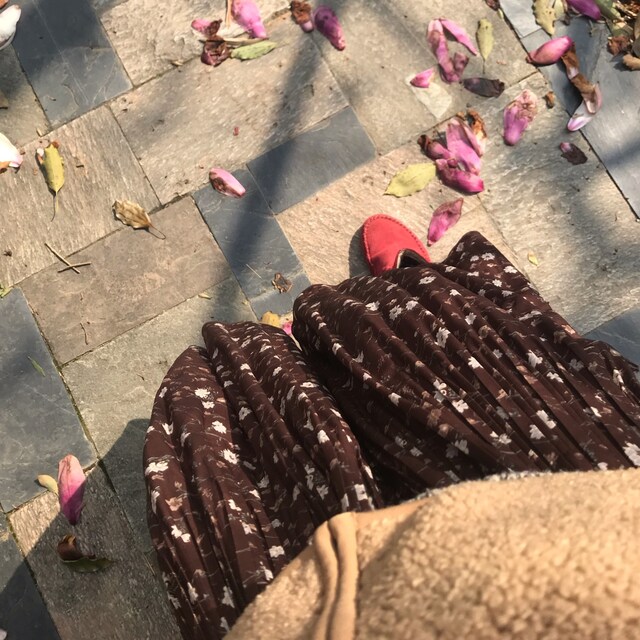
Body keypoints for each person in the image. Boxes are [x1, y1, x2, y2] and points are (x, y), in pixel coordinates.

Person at [143, 215, 640, 640]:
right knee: (494, 386)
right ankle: (414, 289)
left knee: (236, 438)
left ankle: (296, 371)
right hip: (600, 530)